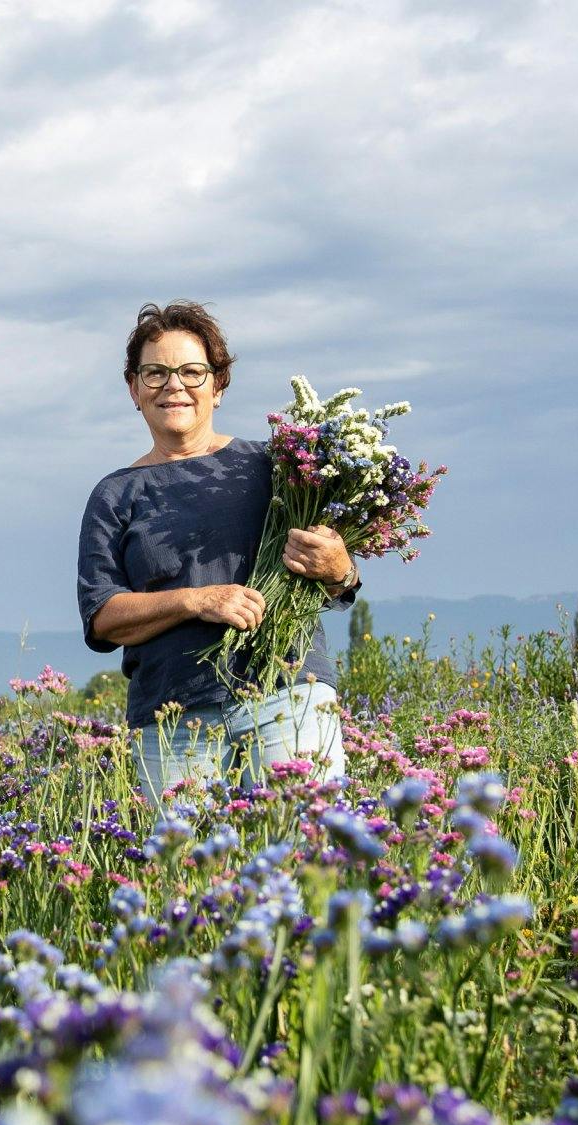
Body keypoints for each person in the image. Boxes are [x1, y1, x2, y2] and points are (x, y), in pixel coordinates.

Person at [77, 300, 361, 810]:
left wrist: (340, 567)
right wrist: (195, 600)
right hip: (173, 718)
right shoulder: (116, 494)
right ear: (134, 389)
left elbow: (339, 584)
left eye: (191, 372)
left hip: (286, 694)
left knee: (307, 863)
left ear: (218, 385)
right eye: (155, 373)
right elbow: (103, 619)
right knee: (190, 875)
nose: (174, 386)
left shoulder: (273, 466)